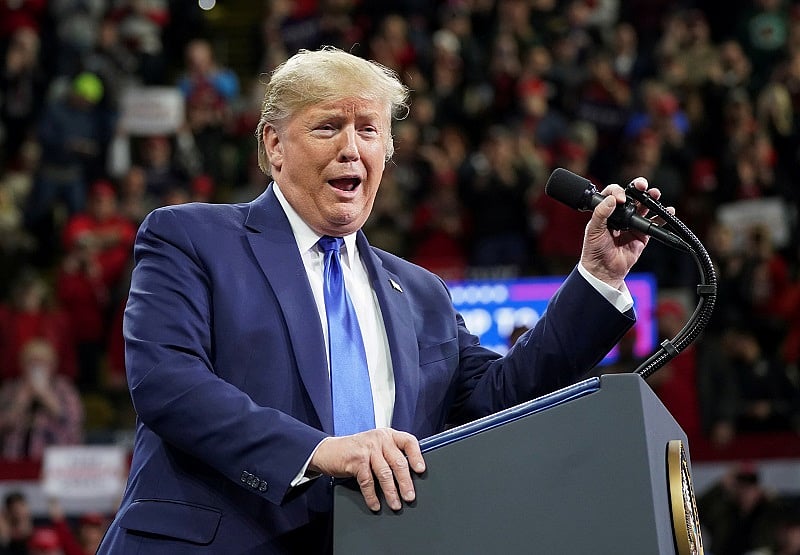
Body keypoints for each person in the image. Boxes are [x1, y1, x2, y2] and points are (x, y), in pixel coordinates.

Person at [97, 46, 667, 554]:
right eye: (327, 128)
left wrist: (596, 276)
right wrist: (319, 452)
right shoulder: (192, 237)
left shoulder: (421, 294)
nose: (351, 149)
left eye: (368, 130)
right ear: (274, 145)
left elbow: (496, 404)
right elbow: (167, 381)